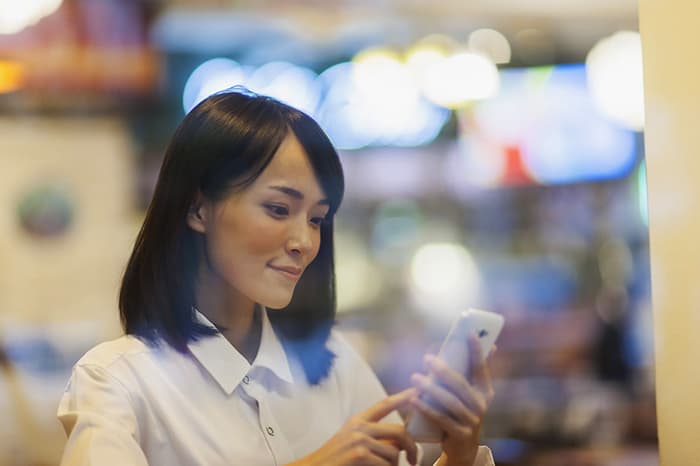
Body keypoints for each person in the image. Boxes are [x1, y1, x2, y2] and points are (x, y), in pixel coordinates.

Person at [57, 88, 496, 466]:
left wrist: (457, 455)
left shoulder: (336, 366)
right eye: (279, 209)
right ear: (197, 209)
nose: (304, 241)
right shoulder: (117, 380)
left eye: (318, 219)